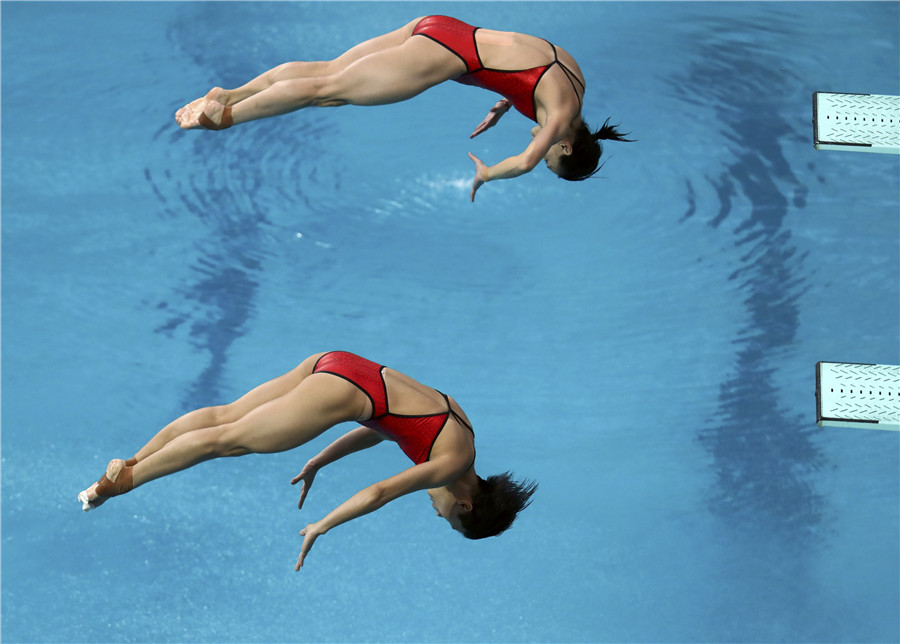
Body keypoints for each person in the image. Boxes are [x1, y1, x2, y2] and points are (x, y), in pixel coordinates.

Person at [78, 351, 537, 570]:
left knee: (226, 414)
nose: (435, 511)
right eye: (447, 520)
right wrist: (323, 524)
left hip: (339, 363)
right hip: (341, 393)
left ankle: (135, 458)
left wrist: (321, 458)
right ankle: (125, 481)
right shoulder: (453, 466)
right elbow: (379, 493)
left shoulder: (463, 431)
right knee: (228, 441)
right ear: (467, 506)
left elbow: (384, 429)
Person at [175, 15, 633, 201]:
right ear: (567, 149)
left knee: (329, 68)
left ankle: (229, 94)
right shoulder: (555, 120)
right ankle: (227, 118)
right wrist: (488, 174)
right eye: (555, 155)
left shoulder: (575, 87)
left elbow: (529, 75)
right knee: (328, 91)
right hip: (443, 58)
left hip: (440, 26)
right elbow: (526, 162)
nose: (545, 146)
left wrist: (500, 105)